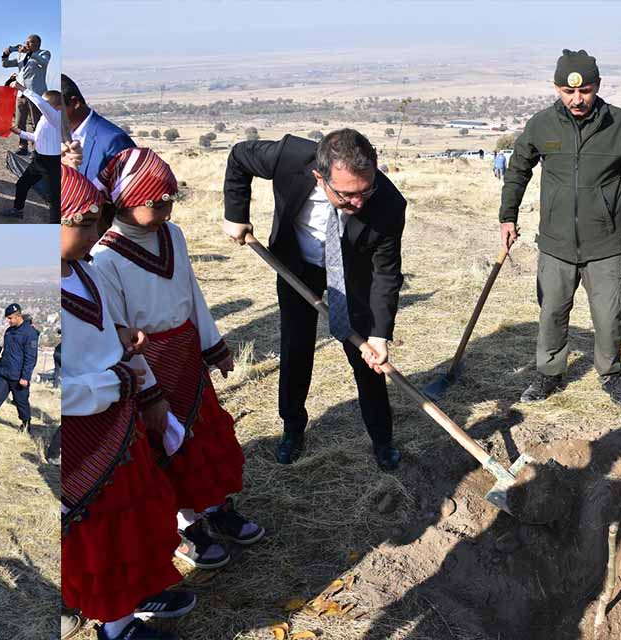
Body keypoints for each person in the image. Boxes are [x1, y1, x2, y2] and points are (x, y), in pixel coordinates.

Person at [97, 146, 263, 570]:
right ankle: (185, 524)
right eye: (158, 201)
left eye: (171, 198)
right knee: (166, 444)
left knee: (204, 437)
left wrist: (215, 346)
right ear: (128, 200)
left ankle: (214, 508)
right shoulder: (104, 258)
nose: (168, 208)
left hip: (188, 355)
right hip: (149, 364)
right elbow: (118, 333)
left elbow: (192, 294)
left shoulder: (173, 235)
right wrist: (148, 391)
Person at [60, 163, 196, 640]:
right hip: (82, 435)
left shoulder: (87, 269)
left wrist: (124, 347)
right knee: (102, 527)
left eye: (97, 218)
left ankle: (137, 592)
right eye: (81, 221)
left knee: (138, 509)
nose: (94, 228)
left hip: (120, 419)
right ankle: (116, 626)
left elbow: (103, 338)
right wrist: (109, 383)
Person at [223, 128, 407, 469]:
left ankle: (382, 438)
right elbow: (238, 157)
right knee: (296, 347)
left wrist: (380, 335)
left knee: (365, 358)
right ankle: (293, 428)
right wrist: (236, 214)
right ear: (319, 177)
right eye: (347, 195)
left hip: (352, 277)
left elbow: (386, 274)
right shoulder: (288, 156)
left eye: (366, 191)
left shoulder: (388, 204)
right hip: (297, 268)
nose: (359, 203)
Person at [499, 49, 621, 406]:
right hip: (556, 243)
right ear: (556, 88)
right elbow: (518, 170)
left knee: (609, 313)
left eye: (585, 90)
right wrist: (508, 215)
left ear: (597, 86)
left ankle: (611, 374)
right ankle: (548, 375)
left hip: (606, 243)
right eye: (568, 91)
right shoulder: (541, 125)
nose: (577, 98)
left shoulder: (620, 123)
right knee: (552, 310)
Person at [61, 75, 136, 188]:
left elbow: (131, 194)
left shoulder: (113, 140)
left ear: (75, 103)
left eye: (55, 107)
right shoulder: (58, 134)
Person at [3, 82, 62, 222]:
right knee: (22, 184)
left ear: (58, 107)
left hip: (52, 164)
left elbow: (41, 104)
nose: (43, 106)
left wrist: (22, 89)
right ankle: (17, 210)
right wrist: (18, 132)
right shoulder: (45, 119)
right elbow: (36, 137)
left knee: (54, 198)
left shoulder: (57, 118)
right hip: (38, 160)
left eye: (48, 104)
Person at [0, 303, 38, 433]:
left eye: (10, 318)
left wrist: (25, 377)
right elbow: (4, 350)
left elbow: (31, 358)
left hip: (18, 377)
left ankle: (25, 423)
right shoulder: (9, 331)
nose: (8, 321)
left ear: (18, 316)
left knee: (21, 402)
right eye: (7, 318)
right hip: (4, 373)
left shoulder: (30, 333)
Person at [2, 34, 52, 156]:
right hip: (21, 94)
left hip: (35, 94)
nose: (27, 44)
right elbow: (6, 64)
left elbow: (44, 63)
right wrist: (6, 54)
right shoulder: (21, 56)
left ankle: (38, 148)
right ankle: (22, 146)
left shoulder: (44, 53)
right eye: (27, 42)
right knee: (20, 122)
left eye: (30, 42)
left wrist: (31, 54)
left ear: (38, 43)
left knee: (37, 123)